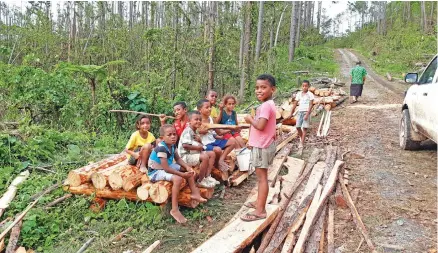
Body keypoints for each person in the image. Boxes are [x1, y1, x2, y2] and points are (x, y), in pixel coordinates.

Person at [148, 124, 207, 223]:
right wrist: (182, 175)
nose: (173, 137)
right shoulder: (161, 148)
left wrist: (188, 167)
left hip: (167, 166)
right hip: (156, 171)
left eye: (174, 134)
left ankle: (194, 193)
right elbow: (166, 168)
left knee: (189, 170)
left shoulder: (172, 145)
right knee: (178, 179)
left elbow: (178, 159)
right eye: (169, 135)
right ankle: (174, 209)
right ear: (162, 138)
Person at [241, 74, 277, 222]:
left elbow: (260, 126)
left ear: (272, 89)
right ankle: (259, 202)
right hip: (261, 144)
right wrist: (251, 140)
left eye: (263, 87)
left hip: (263, 146)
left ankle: (260, 211)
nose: (259, 90)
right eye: (257, 88)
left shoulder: (266, 106)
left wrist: (250, 119)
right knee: (260, 177)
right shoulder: (267, 105)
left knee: (262, 178)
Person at [178, 110, 219, 188]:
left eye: (200, 119)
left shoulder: (195, 130)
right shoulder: (188, 131)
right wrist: (198, 147)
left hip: (192, 153)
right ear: (189, 121)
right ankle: (200, 180)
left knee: (212, 154)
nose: (198, 121)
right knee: (205, 157)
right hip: (185, 156)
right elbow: (185, 145)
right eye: (196, 119)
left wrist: (200, 141)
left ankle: (207, 176)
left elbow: (200, 145)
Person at [197, 99, 237, 172]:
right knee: (217, 149)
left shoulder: (211, 119)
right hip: (204, 144)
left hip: (213, 141)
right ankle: (216, 165)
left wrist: (232, 129)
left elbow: (219, 132)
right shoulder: (197, 121)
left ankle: (220, 160)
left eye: (210, 107)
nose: (209, 109)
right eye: (207, 107)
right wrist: (202, 130)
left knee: (233, 141)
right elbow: (197, 131)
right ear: (200, 110)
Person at [291, 80, 314, 149]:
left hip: (306, 112)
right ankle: (302, 138)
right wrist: (291, 112)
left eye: (306, 86)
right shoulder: (299, 94)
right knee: (298, 127)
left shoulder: (310, 94)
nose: (304, 87)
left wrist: (307, 114)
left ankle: (301, 143)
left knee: (304, 128)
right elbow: (295, 103)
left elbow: (311, 105)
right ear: (301, 86)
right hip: (300, 112)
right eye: (303, 86)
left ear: (308, 86)